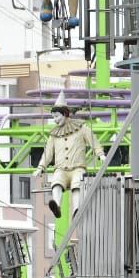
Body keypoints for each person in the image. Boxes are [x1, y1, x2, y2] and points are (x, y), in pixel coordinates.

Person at [37, 91, 106, 232]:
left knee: (77, 184)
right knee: (56, 181)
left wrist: (100, 154)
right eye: (53, 117)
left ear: (64, 114)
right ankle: (57, 205)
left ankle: (76, 209)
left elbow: (93, 141)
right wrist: (41, 167)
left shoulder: (81, 128)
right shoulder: (53, 135)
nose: (55, 120)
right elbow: (48, 153)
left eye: (57, 116)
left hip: (77, 167)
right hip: (61, 168)